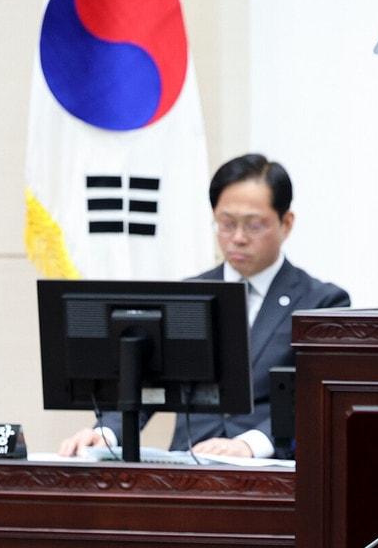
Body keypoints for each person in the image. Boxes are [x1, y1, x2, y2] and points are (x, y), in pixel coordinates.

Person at [58, 154, 350, 459]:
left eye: (253, 225)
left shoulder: (322, 303)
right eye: (226, 223)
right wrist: (105, 432)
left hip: (272, 473)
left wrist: (250, 444)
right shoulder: (187, 295)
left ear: (286, 223)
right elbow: (145, 384)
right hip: (186, 467)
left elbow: (316, 398)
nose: (237, 238)